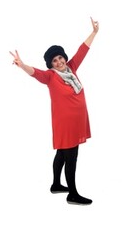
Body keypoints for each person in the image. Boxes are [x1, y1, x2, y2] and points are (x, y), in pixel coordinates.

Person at [8, 17, 100, 205]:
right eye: (54, 60)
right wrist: (21, 64)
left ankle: (56, 184)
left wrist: (94, 32)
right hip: (65, 124)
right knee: (71, 156)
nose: (58, 62)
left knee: (61, 153)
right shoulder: (50, 76)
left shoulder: (72, 68)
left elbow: (82, 51)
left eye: (60, 58)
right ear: (50, 64)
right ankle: (72, 193)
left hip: (78, 120)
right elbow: (35, 72)